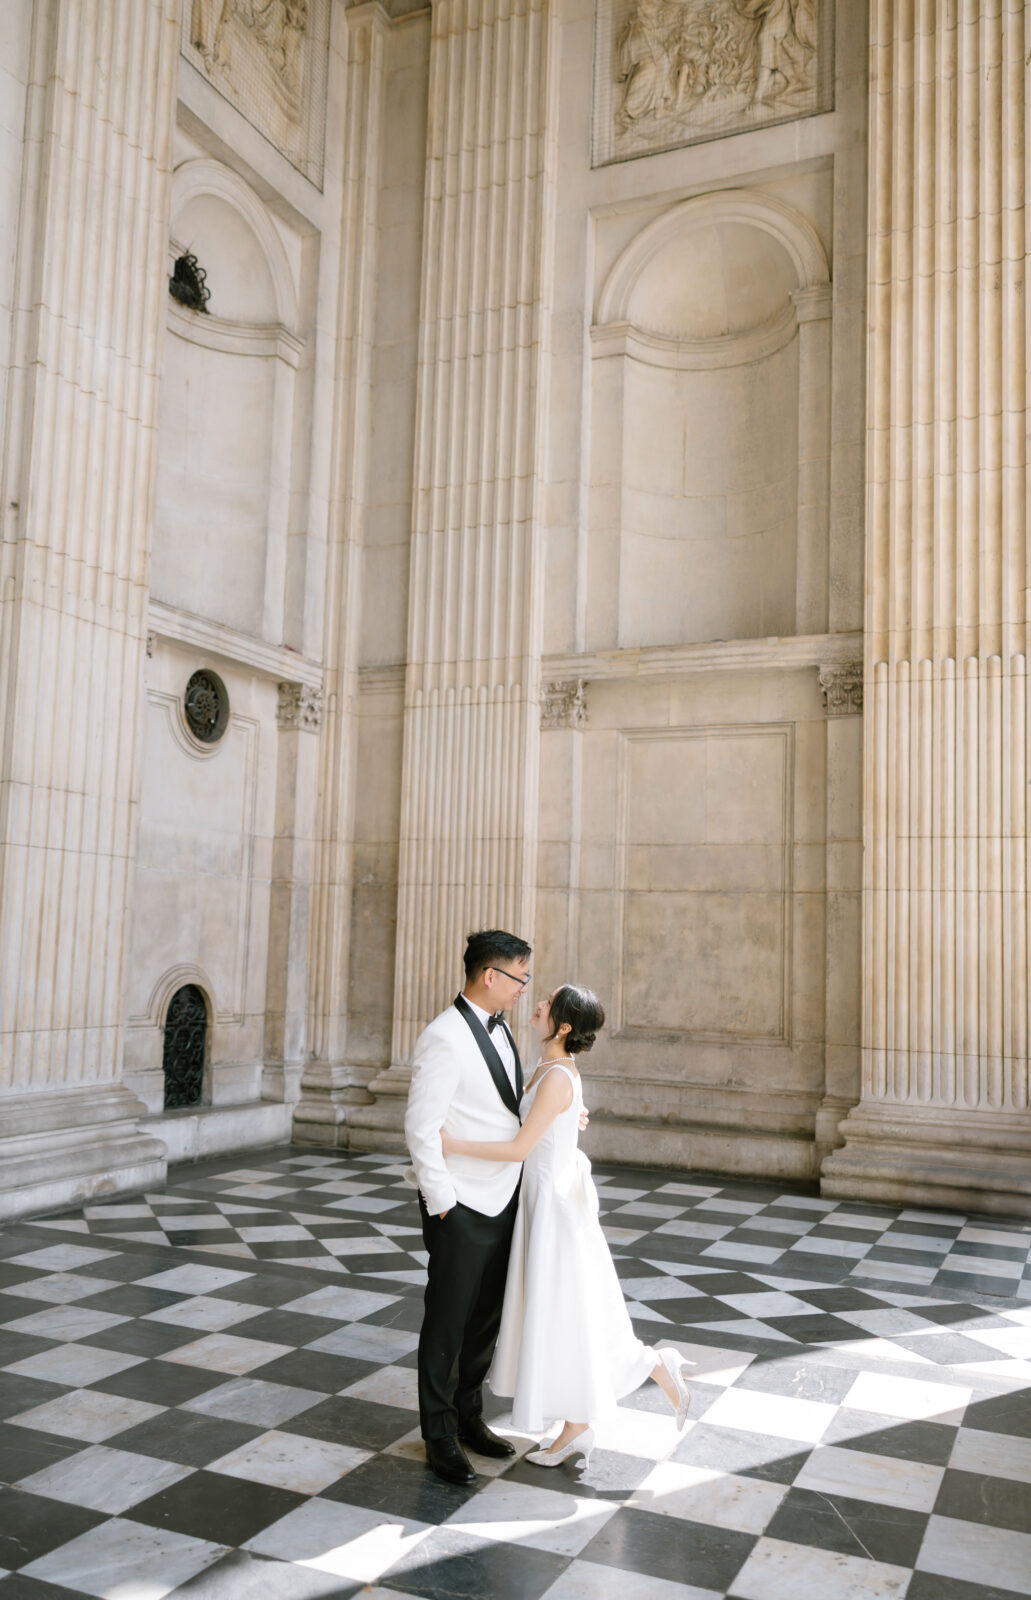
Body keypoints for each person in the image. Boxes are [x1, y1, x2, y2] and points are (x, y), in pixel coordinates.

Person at [441, 983, 692, 1466]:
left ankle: (613, 1395)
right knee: (561, 1313)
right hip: (540, 1197)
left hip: (552, 1207)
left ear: (562, 1025)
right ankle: (597, 1408)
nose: (537, 1003)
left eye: (547, 1002)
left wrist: (453, 1145)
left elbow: (518, 1148)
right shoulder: (548, 1068)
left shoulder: (556, 1076)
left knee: (562, 1311)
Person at [404, 928, 532, 1486]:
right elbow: (421, 1128)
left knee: (485, 1320)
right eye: (519, 978)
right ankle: (438, 1435)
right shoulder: (444, 1037)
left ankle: (469, 1416)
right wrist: (443, 1205)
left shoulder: (503, 1031)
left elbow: (502, 1108)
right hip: (459, 1205)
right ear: (490, 976)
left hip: (505, 1196)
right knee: (447, 1323)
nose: (524, 988)